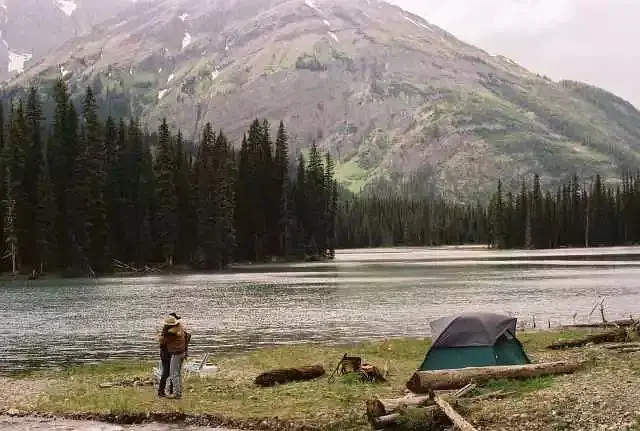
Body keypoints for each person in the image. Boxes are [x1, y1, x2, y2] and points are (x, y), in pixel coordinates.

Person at [158, 313, 191, 400]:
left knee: (172, 374)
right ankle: (175, 392)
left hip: (175, 353)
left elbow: (161, 341)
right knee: (176, 374)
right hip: (178, 353)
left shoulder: (171, 332)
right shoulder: (180, 329)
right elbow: (188, 336)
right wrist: (186, 350)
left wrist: (162, 336)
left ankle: (175, 393)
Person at [157, 313, 180, 397]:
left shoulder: (165, 331)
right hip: (167, 353)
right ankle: (162, 391)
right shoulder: (170, 333)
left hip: (165, 353)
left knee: (168, 373)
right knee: (167, 373)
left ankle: (165, 390)